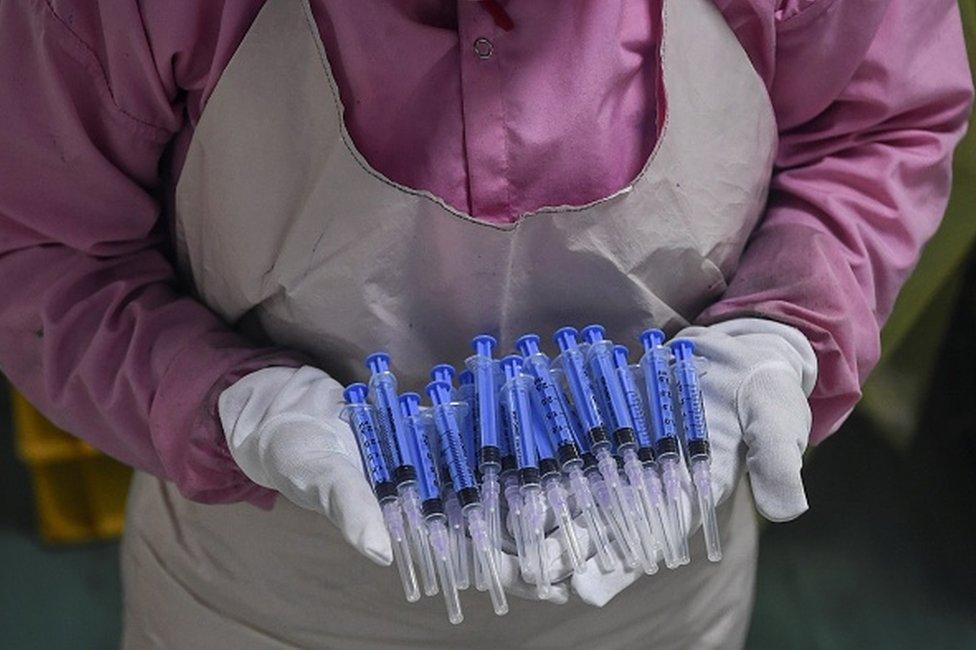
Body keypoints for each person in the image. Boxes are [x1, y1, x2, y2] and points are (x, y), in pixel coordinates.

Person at [0, 1, 971, 647]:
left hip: (655, 581)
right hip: (274, 597)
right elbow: (42, 243)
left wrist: (789, 322)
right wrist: (226, 403)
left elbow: (875, 127)